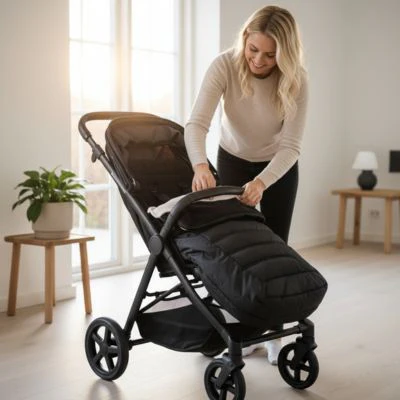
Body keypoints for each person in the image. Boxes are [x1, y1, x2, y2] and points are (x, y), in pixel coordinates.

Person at [184, 5, 308, 365]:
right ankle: (244, 331)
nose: (258, 60)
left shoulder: (298, 79)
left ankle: (274, 332)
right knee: (235, 251)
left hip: (277, 167)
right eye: (253, 49)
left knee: (275, 250)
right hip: (233, 159)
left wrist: (263, 181)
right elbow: (196, 124)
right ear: (244, 40)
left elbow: (291, 147)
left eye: (270, 55)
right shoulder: (224, 65)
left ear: (285, 53)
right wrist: (200, 164)